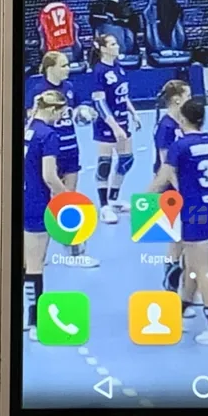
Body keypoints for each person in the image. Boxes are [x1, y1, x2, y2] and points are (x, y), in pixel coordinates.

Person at [145, 98, 208, 346]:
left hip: (193, 211)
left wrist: (143, 202)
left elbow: (162, 179)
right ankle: (181, 310)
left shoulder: (180, 146)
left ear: (183, 119)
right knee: (192, 264)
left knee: (203, 269)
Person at [26, 51, 97, 266]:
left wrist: (86, 112)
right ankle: (37, 252)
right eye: (64, 65)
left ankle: (74, 252)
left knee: (69, 200)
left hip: (70, 149)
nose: (68, 68)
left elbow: (78, 109)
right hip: (48, 152)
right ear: (51, 68)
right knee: (47, 199)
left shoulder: (70, 88)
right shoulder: (37, 92)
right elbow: (31, 121)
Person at [21, 90, 70, 341]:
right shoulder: (48, 135)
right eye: (61, 112)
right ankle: (35, 321)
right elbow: (49, 176)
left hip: (22, 197)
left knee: (24, 260)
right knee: (35, 263)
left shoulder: (28, 129)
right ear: (52, 110)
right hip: (37, 203)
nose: (61, 117)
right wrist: (67, 198)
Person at [153, 80, 198, 312]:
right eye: (188, 95)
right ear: (177, 99)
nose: (191, 98)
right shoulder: (166, 127)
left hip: (184, 185)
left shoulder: (180, 122)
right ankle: (172, 291)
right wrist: (181, 189)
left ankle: (187, 291)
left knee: (187, 241)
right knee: (178, 241)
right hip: (173, 190)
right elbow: (165, 165)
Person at [90, 34, 140, 223]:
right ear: (103, 48)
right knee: (105, 164)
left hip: (123, 120)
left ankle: (114, 199)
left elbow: (123, 95)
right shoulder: (99, 71)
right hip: (106, 124)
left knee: (126, 160)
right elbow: (100, 103)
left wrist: (133, 113)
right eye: (113, 44)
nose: (117, 46)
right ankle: (104, 206)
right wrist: (114, 127)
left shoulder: (118, 67)